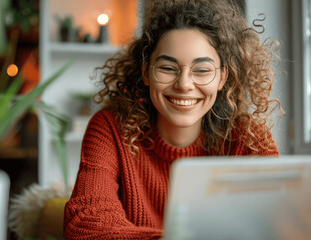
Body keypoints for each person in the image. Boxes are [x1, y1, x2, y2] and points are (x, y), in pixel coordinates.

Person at [63, 0, 284, 239]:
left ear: (222, 78)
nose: (184, 85)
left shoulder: (248, 139)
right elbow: (85, 224)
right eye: (168, 68)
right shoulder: (110, 129)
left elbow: (278, 223)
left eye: (202, 70)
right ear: (147, 72)